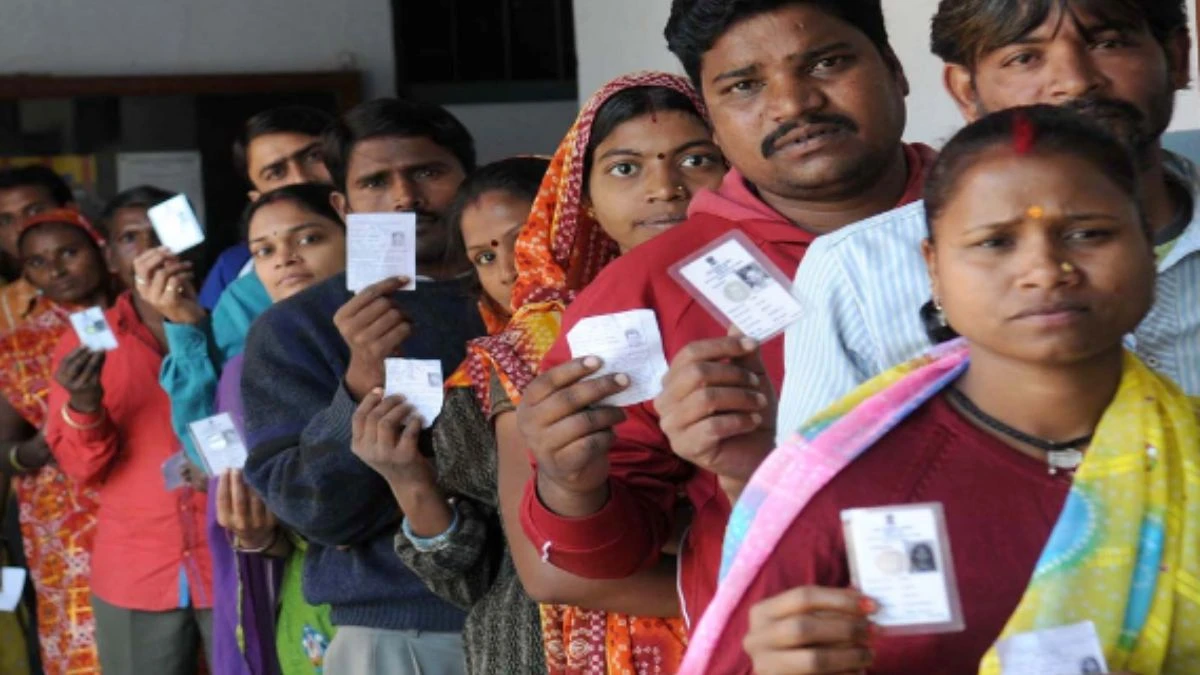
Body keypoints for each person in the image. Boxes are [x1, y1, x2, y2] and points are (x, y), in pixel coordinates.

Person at [684, 105, 1200, 674]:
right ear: (933, 269)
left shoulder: (1190, 455)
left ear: (1148, 248)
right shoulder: (845, 481)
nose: (1046, 270)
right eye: (996, 242)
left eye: (1088, 234)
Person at [515, 0, 936, 629]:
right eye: (745, 85)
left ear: (895, 69)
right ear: (711, 118)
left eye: (826, 63)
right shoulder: (644, 287)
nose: (793, 105)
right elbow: (601, 557)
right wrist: (570, 481)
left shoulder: (1005, 217)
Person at [778, 0, 1197, 434]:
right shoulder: (853, 274)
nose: (1074, 82)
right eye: (1024, 57)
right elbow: (813, 483)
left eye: (1109, 42)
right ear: (965, 90)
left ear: (1177, 57)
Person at [241, 98, 483, 675]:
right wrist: (358, 383)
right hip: (403, 629)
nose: (405, 197)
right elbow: (314, 513)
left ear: (469, 183)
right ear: (343, 206)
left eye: (428, 172)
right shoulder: (295, 328)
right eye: (376, 182)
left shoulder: (526, 299)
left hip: (563, 611)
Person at [139, 183, 346, 675]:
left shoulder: (402, 327)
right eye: (265, 251)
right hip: (287, 566)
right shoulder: (249, 347)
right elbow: (217, 449)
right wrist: (186, 324)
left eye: (309, 238)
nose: (285, 260)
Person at [44, 186, 214, 675]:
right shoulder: (86, 338)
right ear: (111, 257)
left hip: (235, 548)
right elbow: (81, 468)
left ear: (191, 243)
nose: (151, 249)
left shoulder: (231, 320)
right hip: (139, 566)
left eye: (164, 233)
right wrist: (84, 404)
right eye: (130, 238)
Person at [0, 209, 111, 675]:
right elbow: (8, 446)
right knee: (85, 643)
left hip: (145, 498)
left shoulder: (142, 315)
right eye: (39, 263)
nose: (57, 270)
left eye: (69, 252)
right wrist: (31, 452)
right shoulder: (18, 344)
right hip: (64, 519)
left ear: (98, 247)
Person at [199, 106, 335, 309]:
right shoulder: (234, 268)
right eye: (277, 172)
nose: (301, 179)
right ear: (257, 199)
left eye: (314, 157)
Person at [0, 167, 77, 332]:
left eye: (35, 211)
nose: (21, 228)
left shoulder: (127, 288)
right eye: (5, 221)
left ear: (71, 211)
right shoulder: (3, 311)